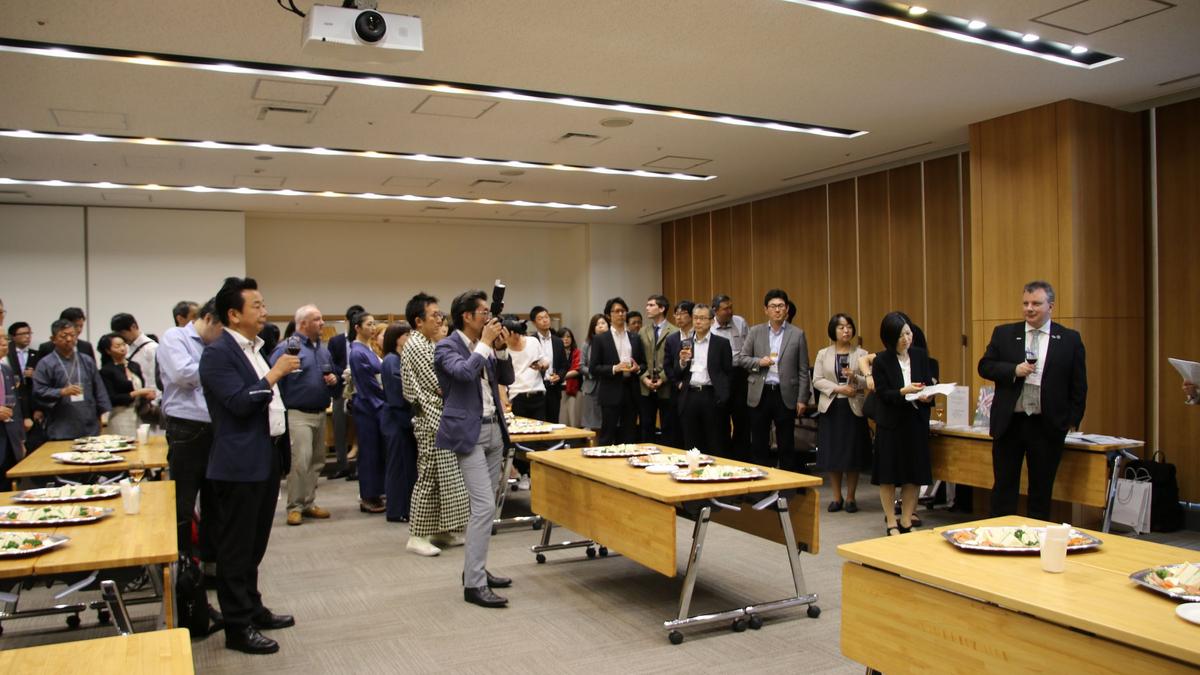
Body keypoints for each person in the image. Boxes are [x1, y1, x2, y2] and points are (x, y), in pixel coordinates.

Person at [199, 276, 299, 655]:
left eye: (262, 304)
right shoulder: (218, 353)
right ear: (233, 314)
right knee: (236, 549)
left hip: (265, 457)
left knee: (255, 544)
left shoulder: (254, 348)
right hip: (237, 464)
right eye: (255, 305)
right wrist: (275, 374)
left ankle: (253, 607)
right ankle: (237, 626)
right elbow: (239, 403)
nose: (263, 310)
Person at [978, 280, 1087, 521]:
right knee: (1004, 487)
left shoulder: (1069, 339)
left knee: (1041, 489)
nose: (1029, 308)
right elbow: (984, 366)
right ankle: (999, 537)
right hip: (1010, 423)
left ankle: (1036, 543)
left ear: (1051, 306)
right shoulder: (1005, 334)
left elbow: (1078, 385)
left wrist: (1071, 420)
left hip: (1046, 425)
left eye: (1036, 303)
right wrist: (1012, 371)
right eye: (1026, 303)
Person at [435, 289, 515, 608]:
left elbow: (506, 376)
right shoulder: (446, 346)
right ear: (467, 317)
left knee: (490, 506)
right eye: (483, 312)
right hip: (468, 433)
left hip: (495, 427)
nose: (489, 317)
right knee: (482, 507)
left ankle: (476, 568)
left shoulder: (486, 344)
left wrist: (501, 348)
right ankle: (473, 584)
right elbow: (465, 373)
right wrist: (484, 344)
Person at [401, 292, 469, 556]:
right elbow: (442, 384)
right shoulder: (417, 345)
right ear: (419, 321)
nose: (440, 319)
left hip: (439, 418)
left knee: (444, 479)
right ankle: (417, 535)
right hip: (429, 419)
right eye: (435, 315)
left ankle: (441, 530)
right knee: (428, 477)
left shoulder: (428, 342)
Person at [158, 298, 223, 566]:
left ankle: (209, 566)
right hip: (186, 428)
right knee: (183, 504)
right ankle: (183, 569)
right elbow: (183, 374)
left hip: (215, 428)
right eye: (222, 329)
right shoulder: (175, 337)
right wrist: (223, 370)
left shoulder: (214, 344)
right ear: (208, 319)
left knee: (214, 503)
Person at [871, 312, 937, 535]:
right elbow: (883, 394)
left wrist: (928, 395)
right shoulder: (881, 360)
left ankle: (907, 520)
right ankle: (891, 521)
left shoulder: (919, 355)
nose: (906, 339)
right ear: (890, 338)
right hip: (892, 424)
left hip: (915, 422)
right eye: (901, 336)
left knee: (914, 474)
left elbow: (927, 384)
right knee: (888, 476)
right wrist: (903, 391)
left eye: (908, 333)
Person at [270, 305, 336, 526]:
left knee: (317, 461)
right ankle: (294, 507)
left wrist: (333, 379)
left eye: (321, 318)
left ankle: (308, 502)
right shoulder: (287, 349)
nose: (322, 323)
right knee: (301, 461)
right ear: (303, 324)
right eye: (317, 319)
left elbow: (332, 373)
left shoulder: (323, 349)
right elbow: (273, 378)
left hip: (320, 412)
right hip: (298, 413)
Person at [738, 290, 811, 471]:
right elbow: (742, 358)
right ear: (766, 310)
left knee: (786, 443)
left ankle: (786, 487)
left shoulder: (797, 334)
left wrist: (802, 399)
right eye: (773, 306)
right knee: (759, 442)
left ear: (786, 309)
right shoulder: (755, 332)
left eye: (780, 306)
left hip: (784, 393)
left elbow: (803, 369)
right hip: (760, 393)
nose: (777, 310)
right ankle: (761, 486)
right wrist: (759, 362)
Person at [812, 313, 871, 513]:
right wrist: (838, 388)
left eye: (849, 327)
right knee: (833, 454)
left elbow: (868, 382)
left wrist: (855, 377)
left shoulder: (862, 354)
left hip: (853, 407)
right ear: (833, 331)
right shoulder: (823, 354)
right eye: (841, 327)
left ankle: (851, 497)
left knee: (852, 454)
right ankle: (836, 497)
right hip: (831, 407)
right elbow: (817, 380)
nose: (846, 330)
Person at [666, 303, 732, 455]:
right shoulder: (685, 343)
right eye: (695, 318)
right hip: (689, 395)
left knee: (714, 441)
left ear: (711, 321)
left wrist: (723, 395)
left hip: (711, 395)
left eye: (702, 318)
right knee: (691, 442)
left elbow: (728, 372)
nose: (698, 322)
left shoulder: (721, 344)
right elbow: (677, 372)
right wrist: (682, 362)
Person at [33, 319, 111, 439]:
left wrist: (103, 412)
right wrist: (61, 392)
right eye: (63, 336)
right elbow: (39, 390)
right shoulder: (45, 363)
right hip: (62, 422)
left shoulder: (86, 360)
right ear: (53, 339)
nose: (69, 339)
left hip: (89, 422)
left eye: (72, 335)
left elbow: (99, 388)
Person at [589, 297, 646, 445]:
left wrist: (638, 368)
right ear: (609, 315)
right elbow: (593, 368)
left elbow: (643, 364)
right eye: (617, 311)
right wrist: (615, 368)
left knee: (629, 434)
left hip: (631, 389)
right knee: (607, 433)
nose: (621, 314)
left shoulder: (634, 337)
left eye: (623, 311)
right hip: (610, 390)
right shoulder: (600, 339)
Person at [347, 311, 386, 514]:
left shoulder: (368, 349)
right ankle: (368, 496)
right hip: (368, 405)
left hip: (375, 403)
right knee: (369, 452)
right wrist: (385, 397)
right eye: (368, 324)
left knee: (377, 451)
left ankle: (376, 492)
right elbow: (369, 384)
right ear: (357, 327)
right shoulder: (357, 352)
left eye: (373, 324)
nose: (372, 327)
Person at [380, 321, 418, 523]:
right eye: (407, 335)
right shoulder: (391, 361)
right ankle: (396, 510)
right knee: (398, 466)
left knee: (406, 465)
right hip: (397, 419)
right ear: (397, 338)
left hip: (401, 417)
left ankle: (404, 508)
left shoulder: (399, 359)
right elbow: (399, 395)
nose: (410, 339)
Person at [711, 294, 750, 458]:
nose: (730, 311)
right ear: (715, 311)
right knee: (721, 419)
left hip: (740, 375)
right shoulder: (710, 327)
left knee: (741, 418)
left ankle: (741, 456)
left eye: (731, 307)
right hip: (720, 376)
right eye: (725, 309)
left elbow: (749, 346)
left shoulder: (740, 322)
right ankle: (724, 455)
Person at [327, 304, 363, 479]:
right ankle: (342, 465)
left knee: (361, 429)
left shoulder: (366, 342)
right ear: (347, 321)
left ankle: (359, 468)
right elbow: (331, 363)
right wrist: (345, 374)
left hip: (360, 390)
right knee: (339, 427)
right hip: (341, 388)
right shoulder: (336, 341)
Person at [96, 333, 156, 437]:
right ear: (108, 351)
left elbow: (142, 387)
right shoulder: (106, 370)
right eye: (117, 346)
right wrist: (137, 393)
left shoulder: (134, 365)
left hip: (138, 413)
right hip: (120, 415)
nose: (122, 348)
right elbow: (112, 398)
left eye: (124, 344)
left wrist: (147, 396)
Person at [639, 294, 678, 444]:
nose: (647, 308)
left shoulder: (674, 331)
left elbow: (675, 360)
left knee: (668, 426)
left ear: (661, 308)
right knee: (646, 425)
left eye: (651, 305)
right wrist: (644, 378)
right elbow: (638, 358)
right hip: (646, 386)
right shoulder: (643, 331)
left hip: (666, 385)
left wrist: (662, 378)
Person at [662, 300, 695, 446]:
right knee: (677, 430)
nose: (679, 317)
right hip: (678, 390)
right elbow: (667, 365)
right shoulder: (672, 339)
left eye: (683, 313)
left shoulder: (699, 336)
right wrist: (677, 383)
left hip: (696, 388)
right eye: (676, 314)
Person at [110, 313, 160, 412]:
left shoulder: (152, 348)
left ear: (133, 327)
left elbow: (155, 379)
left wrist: (154, 402)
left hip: (150, 402)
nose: (122, 338)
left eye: (123, 333)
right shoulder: (127, 348)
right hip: (133, 403)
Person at [530, 306, 567, 423]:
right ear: (534, 323)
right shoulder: (530, 341)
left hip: (554, 388)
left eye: (546, 317)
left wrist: (559, 376)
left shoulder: (558, 342)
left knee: (553, 422)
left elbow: (564, 366)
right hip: (537, 388)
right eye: (540, 318)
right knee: (537, 422)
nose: (545, 320)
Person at [0, 334, 26, 480]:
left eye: (6, 339)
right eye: (0, 339)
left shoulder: (6, 370)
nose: (5, 343)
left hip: (9, 439)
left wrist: (20, 439)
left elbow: (15, 407)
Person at [6, 322, 36, 433]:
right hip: (15, 399)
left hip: (32, 399)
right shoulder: (7, 355)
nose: (27, 336)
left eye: (29, 333)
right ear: (12, 337)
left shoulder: (36, 354)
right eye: (22, 334)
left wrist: (35, 374)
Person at [579, 314, 607, 431]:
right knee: (593, 425)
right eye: (597, 324)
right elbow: (581, 366)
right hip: (592, 387)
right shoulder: (587, 344)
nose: (600, 326)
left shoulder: (612, 343)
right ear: (593, 328)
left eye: (603, 323)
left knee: (608, 423)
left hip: (608, 384)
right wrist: (592, 372)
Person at [558, 327, 582, 428]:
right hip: (559, 390)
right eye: (562, 337)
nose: (566, 339)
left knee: (574, 420)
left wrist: (560, 376)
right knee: (561, 421)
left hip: (574, 390)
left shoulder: (577, 352)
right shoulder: (555, 353)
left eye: (568, 337)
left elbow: (578, 370)